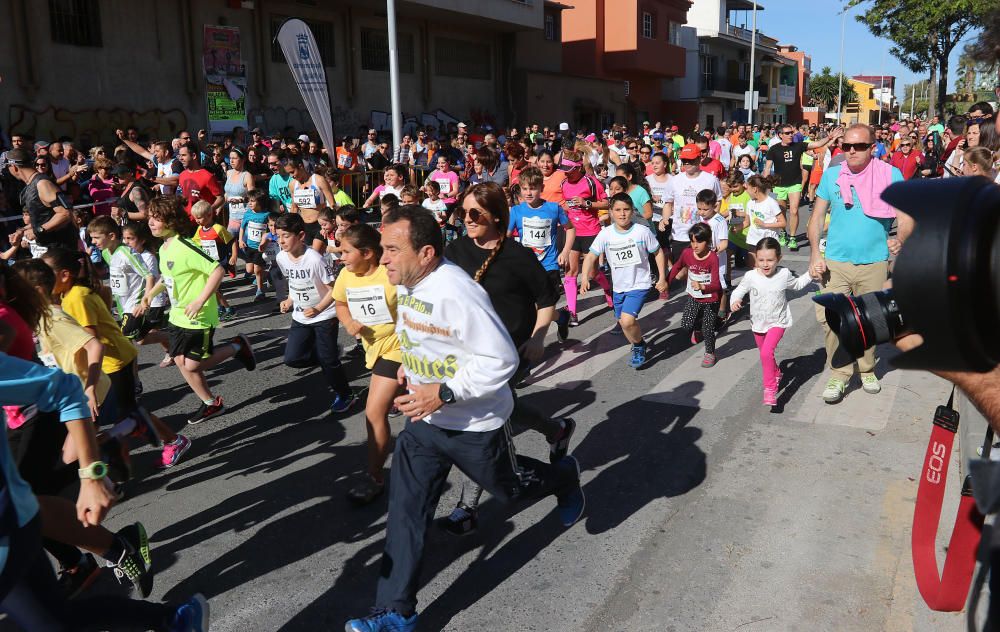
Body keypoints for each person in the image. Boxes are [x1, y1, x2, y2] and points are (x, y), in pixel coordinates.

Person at [344, 205, 583, 632]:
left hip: (474, 425)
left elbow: (501, 359)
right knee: (405, 512)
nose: (383, 259)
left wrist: (446, 391)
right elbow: (421, 330)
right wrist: (411, 366)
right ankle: (395, 612)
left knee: (510, 490)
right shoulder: (411, 281)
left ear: (427, 253)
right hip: (424, 424)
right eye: (382, 249)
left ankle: (562, 477)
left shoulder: (456, 291)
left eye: (393, 250)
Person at [440, 182, 576, 535]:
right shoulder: (454, 251)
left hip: (510, 352)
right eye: (463, 212)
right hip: (465, 351)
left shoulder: (518, 256)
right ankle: (557, 429)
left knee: (483, 419)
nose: (467, 219)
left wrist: (538, 336)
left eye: (476, 214)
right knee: (501, 408)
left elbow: (546, 301)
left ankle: (467, 507)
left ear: (497, 216)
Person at [808, 123, 913, 404]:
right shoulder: (832, 175)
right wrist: (815, 255)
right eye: (847, 146)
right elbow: (817, 217)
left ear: (873, 147)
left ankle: (866, 368)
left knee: (872, 321)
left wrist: (900, 238)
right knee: (832, 321)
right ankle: (840, 373)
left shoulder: (890, 175)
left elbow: (905, 216)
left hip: (875, 262)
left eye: (860, 146)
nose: (852, 151)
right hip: (835, 262)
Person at [136, 196, 257, 424]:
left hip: (199, 316)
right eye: (150, 217)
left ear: (171, 221)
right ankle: (211, 403)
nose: (150, 222)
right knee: (181, 361)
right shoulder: (165, 247)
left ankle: (237, 346)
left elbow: (217, 271)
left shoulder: (186, 246)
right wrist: (149, 295)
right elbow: (168, 276)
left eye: (156, 218)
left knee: (193, 364)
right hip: (178, 315)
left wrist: (200, 300)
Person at [332, 223, 402, 504]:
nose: (342, 257)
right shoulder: (346, 276)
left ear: (368, 253)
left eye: (347, 252)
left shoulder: (391, 274)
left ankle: (374, 477)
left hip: (399, 348)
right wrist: (348, 322)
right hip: (371, 350)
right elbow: (340, 303)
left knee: (374, 412)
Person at [274, 213, 357, 416]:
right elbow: (294, 283)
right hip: (301, 315)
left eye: (285, 236)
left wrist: (319, 308)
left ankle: (346, 394)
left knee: (328, 361)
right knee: (292, 358)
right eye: (278, 236)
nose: (281, 241)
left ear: (301, 235)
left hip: (324, 315)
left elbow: (334, 289)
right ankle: (327, 355)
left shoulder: (314, 259)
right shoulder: (280, 257)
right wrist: (290, 299)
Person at [580, 192, 667, 369]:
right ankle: (639, 343)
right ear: (610, 212)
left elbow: (658, 252)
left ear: (632, 211)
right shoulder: (606, 234)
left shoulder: (642, 232)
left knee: (627, 321)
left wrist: (662, 278)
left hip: (640, 284)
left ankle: (637, 346)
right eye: (617, 210)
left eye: (626, 209)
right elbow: (590, 257)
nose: (622, 214)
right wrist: (584, 278)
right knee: (624, 323)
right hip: (619, 287)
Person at [729, 237, 814, 406]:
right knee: (765, 355)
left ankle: (769, 388)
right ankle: (776, 372)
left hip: (778, 321)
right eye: (761, 260)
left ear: (779, 259)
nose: (765, 264)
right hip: (758, 323)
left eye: (770, 260)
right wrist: (734, 301)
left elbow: (797, 285)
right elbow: (739, 290)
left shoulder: (784, 274)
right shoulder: (751, 276)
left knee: (766, 353)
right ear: (756, 259)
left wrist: (810, 273)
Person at [508, 166, 576, 341]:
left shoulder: (553, 209)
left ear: (541, 188)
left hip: (549, 265)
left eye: (533, 188)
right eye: (525, 189)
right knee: (533, 307)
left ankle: (532, 342)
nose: (529, 192)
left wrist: (566, 251)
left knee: (541, 307)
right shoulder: (516, 211)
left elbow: (570, 229)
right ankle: (561, 318)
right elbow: (506, 239)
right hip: (526, 266)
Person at [763, 124, 844, 251]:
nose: (791, 135)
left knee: (794, 210)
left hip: (795, 183)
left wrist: (829, 137)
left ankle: (793, 237)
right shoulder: (773, 149)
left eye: (791, 132)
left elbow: (817, 144)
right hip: (779, 185)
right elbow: (767, 168)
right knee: (781, 212)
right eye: (787, 133)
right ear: (780, 135)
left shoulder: (798, 145)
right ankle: (784, 232)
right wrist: (765, 182)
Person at [559, 150, 612, 325]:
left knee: (592, 272)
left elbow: (606, 203)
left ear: (579, 167)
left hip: (591, 231)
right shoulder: (564, 183)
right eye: (564, 168)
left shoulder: (590, 182)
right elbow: (564, 204)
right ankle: (573, 312)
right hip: (572, 232)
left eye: (569, 169)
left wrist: (586, 203)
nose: (566, 172)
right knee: (571, 271)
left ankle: (608, 289)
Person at [666, 223, 723, 368]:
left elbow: (717, 285)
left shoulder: (712, 258)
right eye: (692, 241)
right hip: (694, 297)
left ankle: (710, 353)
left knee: (708, 329)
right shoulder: (687, 253)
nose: (695, 245)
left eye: (699, 241)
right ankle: (698, 326)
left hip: (711, 299)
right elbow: (677, 267)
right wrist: (667, 282)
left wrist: (703, 286)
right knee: (686, 325)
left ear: (708, 241)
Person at [657, 144, 723, 268]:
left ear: (699, 159)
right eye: (684, 160)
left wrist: (711, 220)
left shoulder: (711, 180)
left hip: (702, 233)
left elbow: (718, 201)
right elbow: (668, 203)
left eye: (690, 160)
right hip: (680, 233)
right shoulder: (675, 180)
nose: (686, 163)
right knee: (681, 271)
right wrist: (664, 219)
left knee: (701, 270)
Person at [4, 148, 78, 251]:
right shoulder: (31, 184)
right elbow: (44, 218)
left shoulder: (42, 184)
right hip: (49, 248)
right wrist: (21, 231)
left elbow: (65, 214)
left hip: (61, 250)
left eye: (8, 167)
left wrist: (37, 231)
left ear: (14, 167)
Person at [742, 174, 786, 271]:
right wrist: (738, 228)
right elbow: (747, 222)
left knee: (766, 269)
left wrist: (765, 224)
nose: (746, 191)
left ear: (755, 189)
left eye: (747, 189)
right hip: (752, 240)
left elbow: (783, 223)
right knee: (753, 268)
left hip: (767, 242)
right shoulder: (750, 203)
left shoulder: (771, 203)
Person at [239, 189, 273, 302]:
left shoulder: (266, 215)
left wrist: (267, 241)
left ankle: (260, 291)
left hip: (260, 247)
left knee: (257, 270)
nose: (250, 203)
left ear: (260, 202)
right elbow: (242, 227)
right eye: (249, 201)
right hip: (249, 246)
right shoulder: (248, 213)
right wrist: (240, 240)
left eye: (252, 201)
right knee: (249, 270)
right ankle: (268, 274)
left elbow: (270, 229)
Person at [176, 141, 223, 220]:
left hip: (203, 223)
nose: (181, 158)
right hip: (186, 221)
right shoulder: (182, 175)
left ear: (194, 156)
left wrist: (208, 210)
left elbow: (221, 198)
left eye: (184, 155)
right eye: (180, 156)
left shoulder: (207, 176)